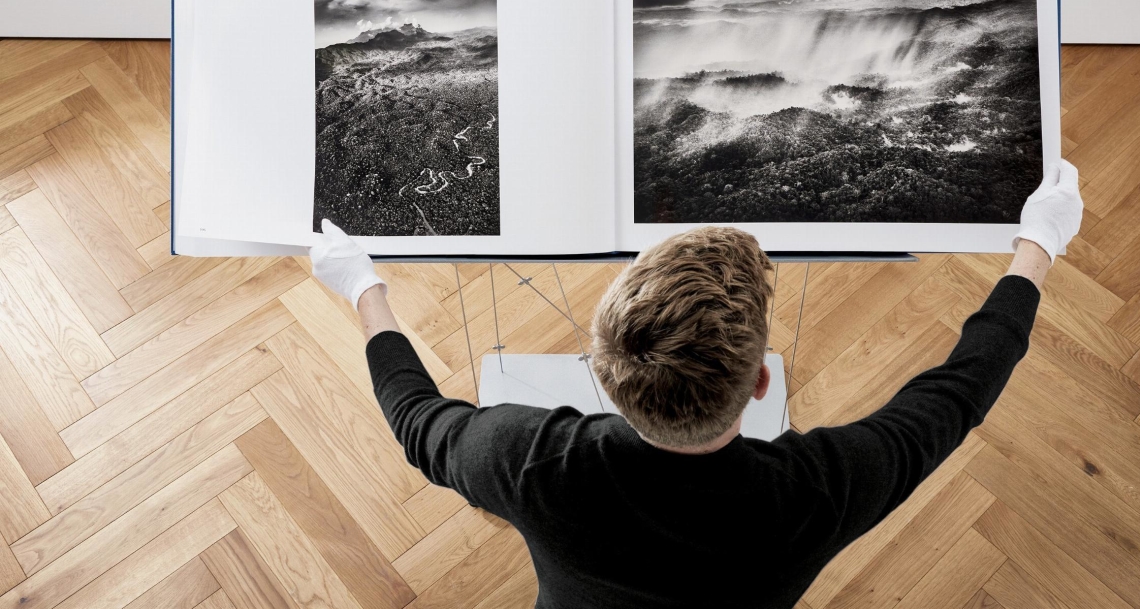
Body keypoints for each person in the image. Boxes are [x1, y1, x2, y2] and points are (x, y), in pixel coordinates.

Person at [310, 160, 1083, 609]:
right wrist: (1035, 246)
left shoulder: (529, 461)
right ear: (758, 384)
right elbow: (956, 394)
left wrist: (364, 289)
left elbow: (415, 418)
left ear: (603, 379)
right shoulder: (816, 494)